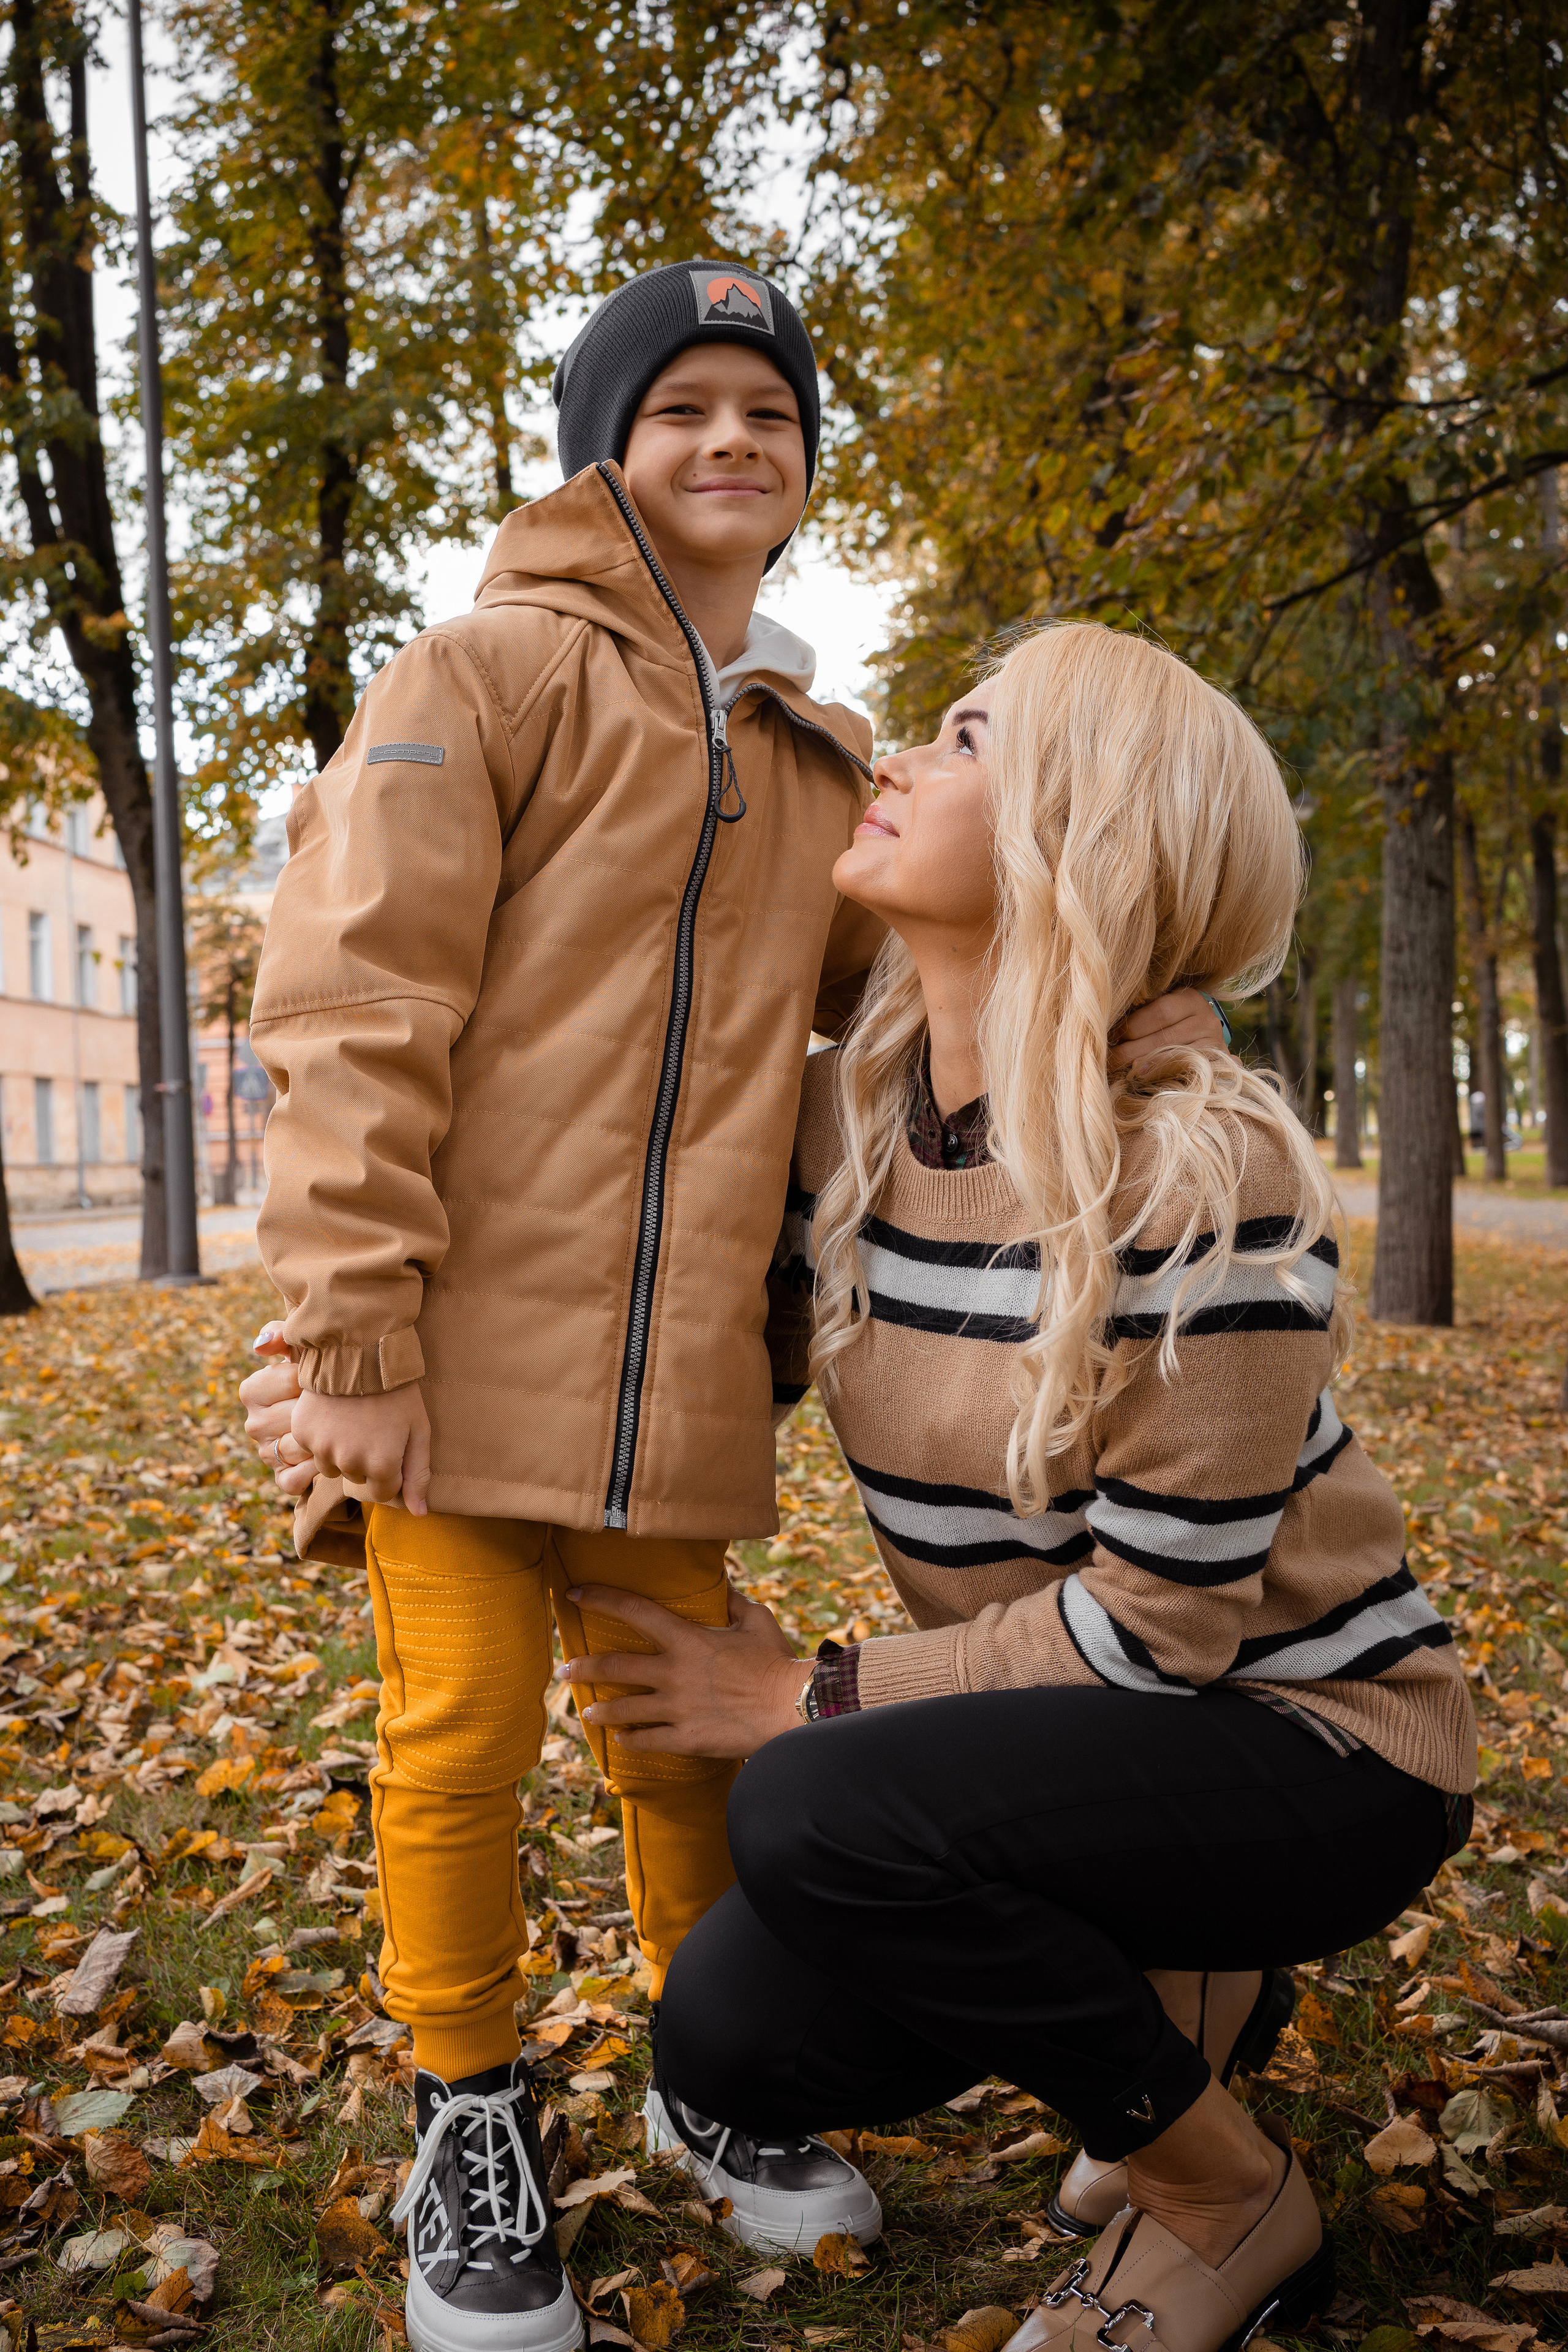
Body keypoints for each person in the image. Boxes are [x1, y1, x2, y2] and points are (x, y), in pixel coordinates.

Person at [237, 255, 1224, 2352]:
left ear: (802, 473)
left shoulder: (814, 754)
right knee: (460, 1738)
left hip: (681, 1387)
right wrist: (350, 1332)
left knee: (690, 1759)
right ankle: (470, 2114)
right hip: (457, 1373)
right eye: (680, 405)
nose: (728, 441)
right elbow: (356, 1002)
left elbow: (903, 1015)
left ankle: (715, 2082)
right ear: (608, 444)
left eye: (767, 416)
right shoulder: (482, 675)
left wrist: (1126, 1002)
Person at [554, 622, 1477, 2352]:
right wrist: (347, 1342)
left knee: (813, 1803)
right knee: (734, 2034)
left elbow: (1159, 1643)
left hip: (1320, 1746)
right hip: (1071, 1742)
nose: (899, 758)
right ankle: (1187, 2001)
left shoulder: (1208, 1170)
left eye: (966, 739)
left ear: (1082, 835)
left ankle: (1224, 2195)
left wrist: (806, 1694)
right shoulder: (855, 1125)